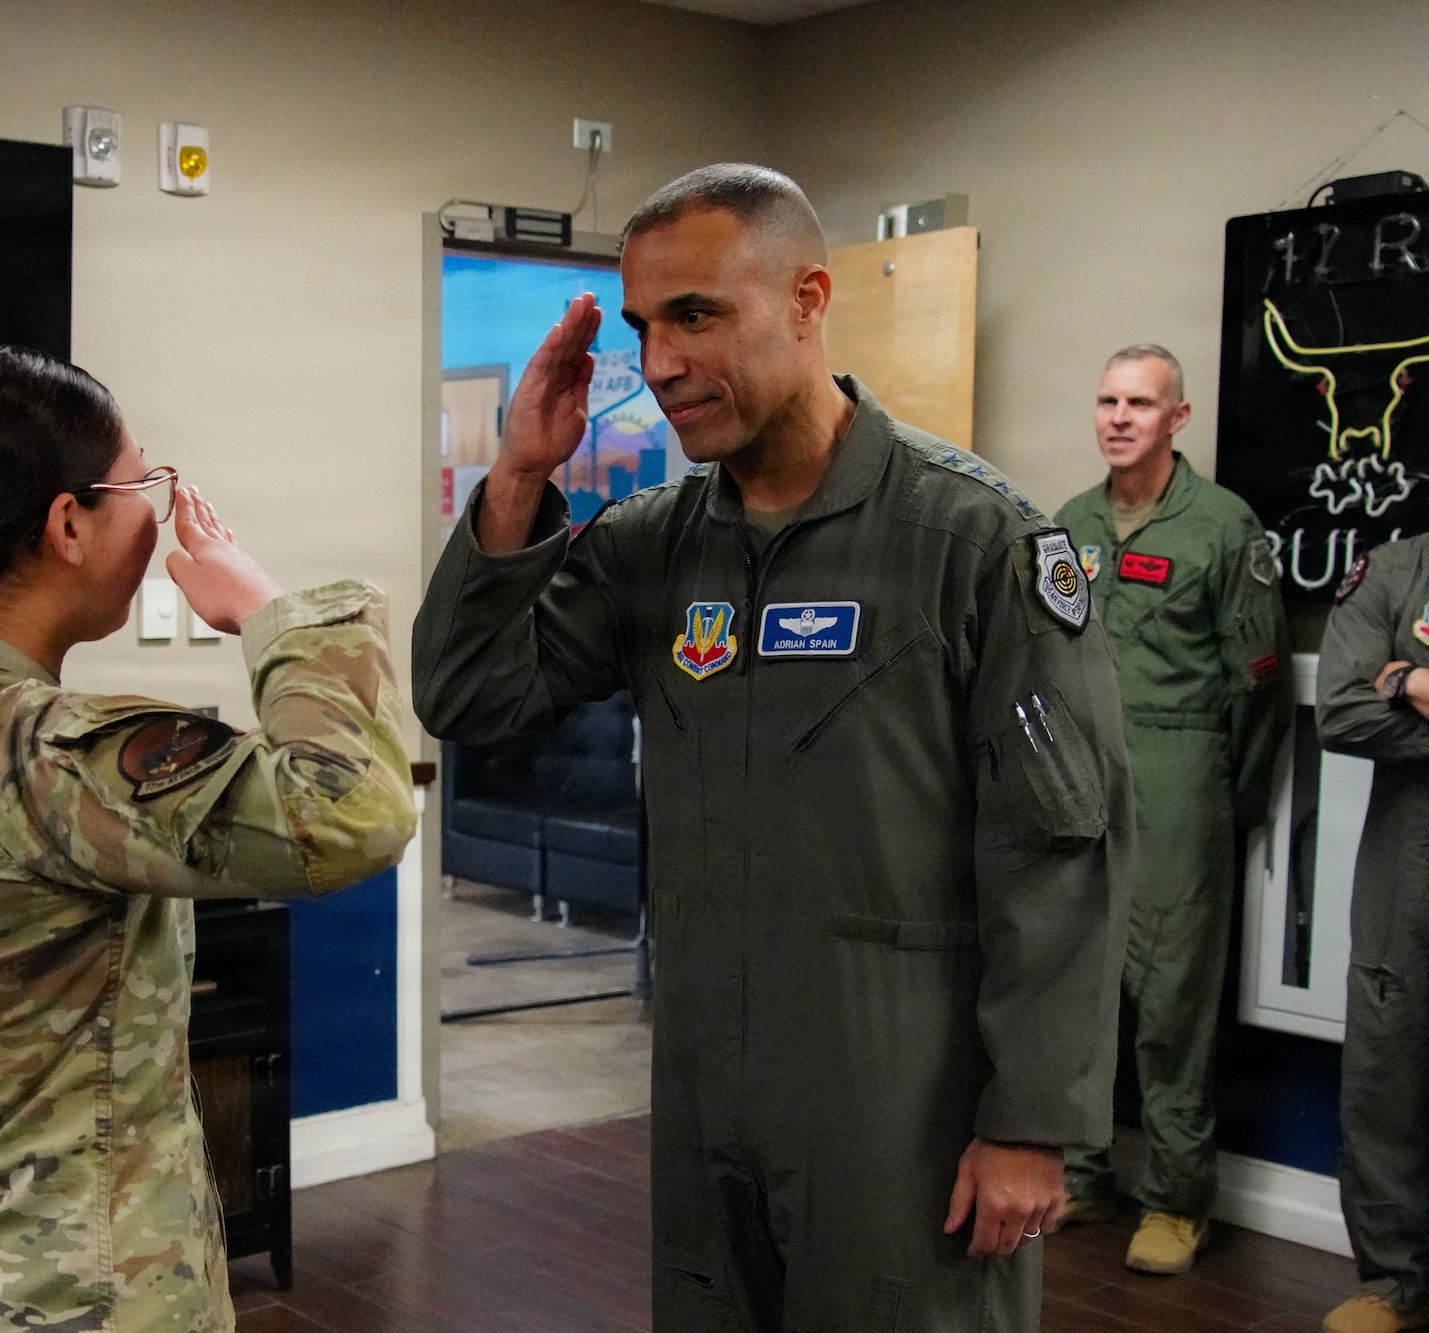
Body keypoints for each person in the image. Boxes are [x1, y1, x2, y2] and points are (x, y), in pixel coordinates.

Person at [412, 164, 1132, 1331]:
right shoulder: (652, 546)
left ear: (805, 300)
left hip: (901, 1097)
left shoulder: (970, 541)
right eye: (642, 329)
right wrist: (517, 477)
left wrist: (1029, 1122)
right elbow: (468, 692)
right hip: (705, 1089)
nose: (656, 366)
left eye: (695, 315)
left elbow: (1058, 850)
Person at [0, 347, 417, 1333]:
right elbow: (352, 813)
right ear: (66, 522)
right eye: (141, 482)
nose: (157, 508)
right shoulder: (41, 749)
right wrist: (269, 611)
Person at [1052, 346, 1293, 1273]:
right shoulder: (1068, 524)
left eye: (1141, 403)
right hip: (1082, 774)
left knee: (1171, 1002)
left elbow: (1262, 687)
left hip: (1182, 774)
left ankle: (1177, 1199)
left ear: (1177, 418)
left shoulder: (1223, 529)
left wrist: (1227, 805)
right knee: (1077, 986)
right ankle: (1079, 1170)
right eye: (1108, 400)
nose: (1119, 417)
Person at [1315, 534, 1429, 1333]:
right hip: (1410, 859)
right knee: (1388, 1062)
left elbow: (1376, 693)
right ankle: (1394, 1280)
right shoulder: (1396, 570)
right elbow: (1342, 708)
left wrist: (1408, 680)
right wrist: (1397, 681)